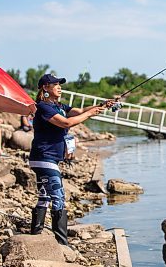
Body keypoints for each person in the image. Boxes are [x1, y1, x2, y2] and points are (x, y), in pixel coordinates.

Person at [29, 73, 116, 245]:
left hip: (48, 158)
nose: (59, 87)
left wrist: (101, 105)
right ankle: (62, 243)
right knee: (59, 198)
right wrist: (90, 114)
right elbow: (66, 123)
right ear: (45, 87)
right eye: (55, 84)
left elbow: (79, 111)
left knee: (45, 196)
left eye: (60, 84)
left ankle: (35, 233)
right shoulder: (43, 107)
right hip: (44, 157)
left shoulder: (58, 105)